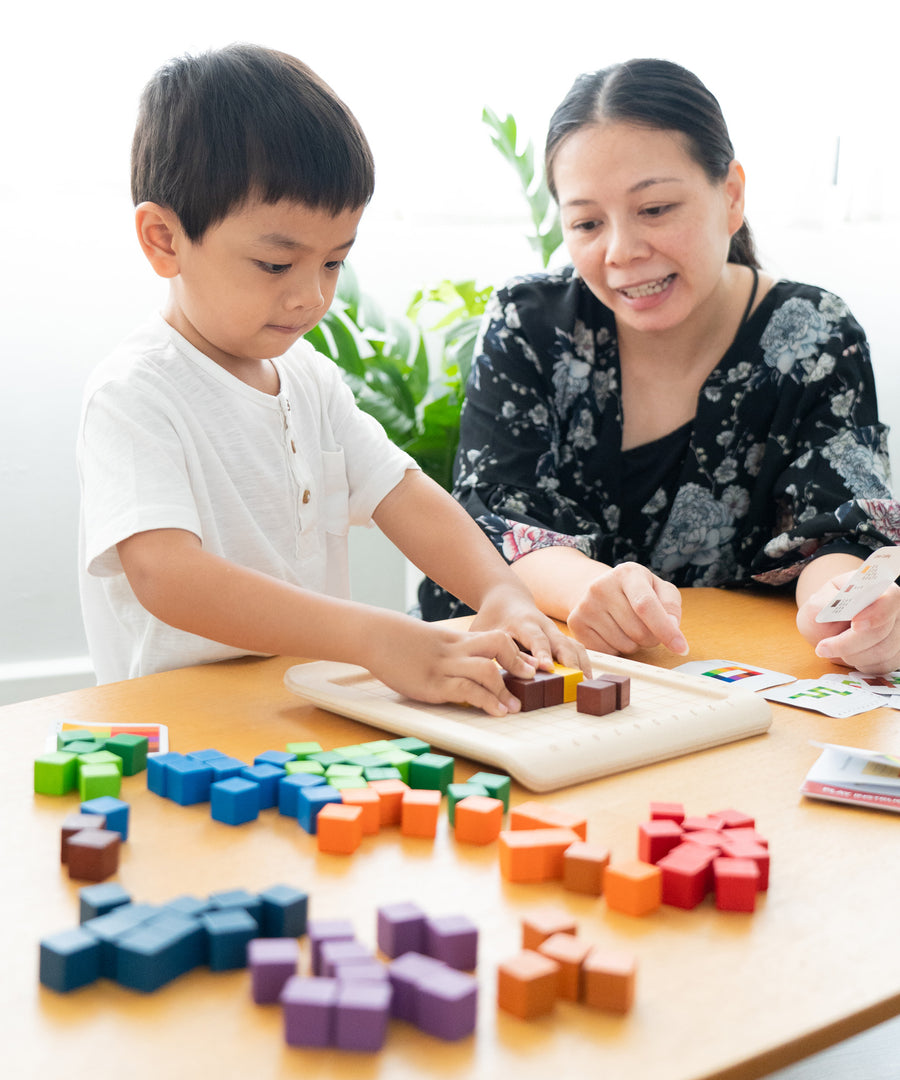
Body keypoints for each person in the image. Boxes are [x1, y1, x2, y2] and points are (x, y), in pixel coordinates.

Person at [77, 43, 587, 715]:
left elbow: (403, 492)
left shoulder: (309, 379)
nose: (311, 297)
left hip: (305, 710)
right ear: (164, 240)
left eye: (333, 263)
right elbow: (166, 575)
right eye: (274, 264)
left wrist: (501, 590)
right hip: (183, 723)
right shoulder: (136, 393)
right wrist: (372, 636)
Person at [419, 58, 900, 675]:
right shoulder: (529, 323)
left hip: (714, 691)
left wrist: (846, 606)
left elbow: (836, 531)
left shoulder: (814, 333)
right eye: (588, 222)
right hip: (513, 671)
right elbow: (497, 524)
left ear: (730, 195)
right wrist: (586, 589)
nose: (621, 251)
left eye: (655, 209)